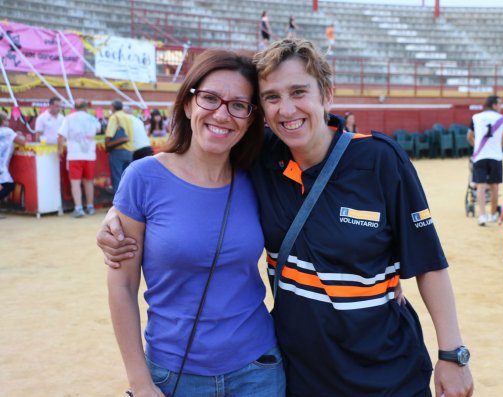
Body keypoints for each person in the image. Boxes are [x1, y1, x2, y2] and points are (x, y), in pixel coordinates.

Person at [98, 39, 473, 397]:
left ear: (326, 94)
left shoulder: (379, 160)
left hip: (382, 370)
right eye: (272, 98)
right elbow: (181, 187)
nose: (287, 109)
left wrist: (452, 352)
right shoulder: (262, 163)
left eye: (298, 92)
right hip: (300, 373)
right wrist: (118, 215)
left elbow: (428, 261)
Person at [107, 49, 284, 397]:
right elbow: (121, 287)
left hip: (258, 371)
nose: (222, 113)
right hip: (174, 374)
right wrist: (140, 382)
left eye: (238, 105)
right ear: (188, 104)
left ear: (250, 118)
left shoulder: (260, 176)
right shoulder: (143, 178)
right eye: (210, 98)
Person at [467, 95, 503, 226]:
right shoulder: (502, 119)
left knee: (480, 185)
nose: (501, 107)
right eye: (500, 104)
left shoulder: (476, 117)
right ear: (494, 105)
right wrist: (498, 147)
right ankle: (492, 215)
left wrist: (476, 147)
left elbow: (469, 136)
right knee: (494, 186)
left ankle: (482, 216)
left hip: (480, 155)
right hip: (496, 155)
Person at [57, 99, 101, 218]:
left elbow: (60, 136)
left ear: (74, 107)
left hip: (74, 155)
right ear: (86, 107)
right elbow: (99, 129)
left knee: (75, 182)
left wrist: (59, 150)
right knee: (89, 182)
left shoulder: (69, 118)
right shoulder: (92, 118)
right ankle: (90, 206)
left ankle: (79, 208)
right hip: (89, 155)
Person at [0, 111, 26, 218]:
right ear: (3, 121)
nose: (8, 122)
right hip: (1, 165)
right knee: (9, 186)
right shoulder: (8, 131)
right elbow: (22, 142)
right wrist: (20, 135)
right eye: (6, 120)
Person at [105, 99, 135, 193]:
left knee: (117, 179)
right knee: (127, 180)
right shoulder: (129, 117)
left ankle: (118, 205)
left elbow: (109, 134)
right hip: (129, 151)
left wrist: (107, 144)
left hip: (117, 151)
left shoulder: (114, 117)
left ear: (113, 107)